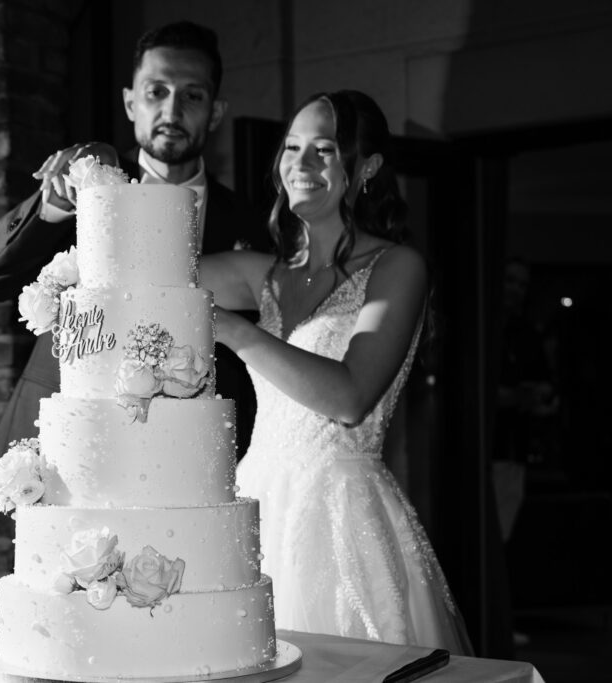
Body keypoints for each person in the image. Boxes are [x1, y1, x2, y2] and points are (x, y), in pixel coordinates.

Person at [200, 90, 473, 653]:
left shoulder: (398, 267)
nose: (300, 165)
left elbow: (350, 397)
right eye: (292, 148)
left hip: (341, 517)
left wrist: (239, 332)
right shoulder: (264, 275)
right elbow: (147, 272)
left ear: (366, 166)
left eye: (323, 150)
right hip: (253, 502)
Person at [0, 21, 268, 501]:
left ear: (215, 112)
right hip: (66, 465)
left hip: (189, 472)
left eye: (192, 96)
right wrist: (55, 208)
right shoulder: (83, 182)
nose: (172, 110)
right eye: (156, 92)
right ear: (130, 102)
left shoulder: (253, 223)